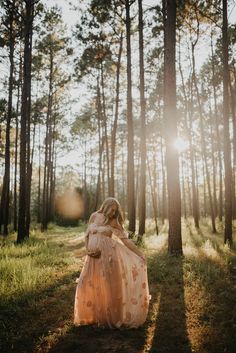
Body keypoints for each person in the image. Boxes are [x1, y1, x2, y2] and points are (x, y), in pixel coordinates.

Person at [74, 197, 150, 329]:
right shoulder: (94, 216)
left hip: (108, 258)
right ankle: (91, 315)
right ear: (106, 205)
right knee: (87, 282)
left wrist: (140, 254)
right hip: (92, 257)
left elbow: (126, 241)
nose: (112, 213)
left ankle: (109, 317)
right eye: (111, 209)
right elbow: (87, 235)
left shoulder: (114, 222)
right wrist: (88, 250)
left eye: (115, 211)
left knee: (108, 287)